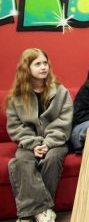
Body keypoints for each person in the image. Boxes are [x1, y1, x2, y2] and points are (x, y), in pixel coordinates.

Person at [5, 48, 73, 222]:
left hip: (56, 142)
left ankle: (28, 214)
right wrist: (34, 144)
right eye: (37, 64)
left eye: (45, 63)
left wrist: (47, 143)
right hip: (28, 143)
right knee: (21, 161)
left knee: (52, 158)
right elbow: (15, 126)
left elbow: (64, 121)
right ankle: (43, 212)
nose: (43, 67)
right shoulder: (16, 97)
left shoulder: (61, 91)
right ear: (26, 68)